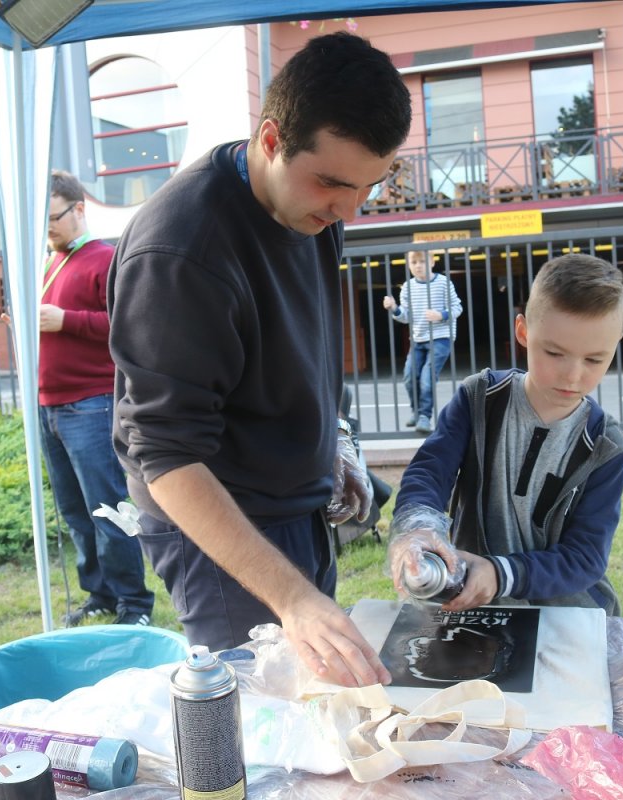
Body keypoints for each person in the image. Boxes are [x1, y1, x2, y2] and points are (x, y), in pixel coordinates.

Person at [109, 32, 411, 688]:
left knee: (318, 691)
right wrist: (293, 597)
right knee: (265, 717)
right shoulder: (181, 250)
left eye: (369, 187)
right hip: (220, 524)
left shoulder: (313, 209)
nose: (348, 210)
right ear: (271, 139)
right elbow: (165, 455)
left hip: (300, 503)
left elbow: (303, 345)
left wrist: (335, 439)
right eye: (332, 183)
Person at [387, 253, 623, 615]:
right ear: (523, 332)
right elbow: (429, 472)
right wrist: (417, 528)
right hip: (471, 608)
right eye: (554, 353)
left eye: (594, 359)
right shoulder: (478, 400)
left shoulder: (605, 445)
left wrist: (501, 574)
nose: (573, 375)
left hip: (567, 616)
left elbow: (585, 557)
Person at [8, 170, 155, 627]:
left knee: (106, 507)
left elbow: (130, 324)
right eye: (42, 222)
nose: (48, 229)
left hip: (90, 404)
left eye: (53, 218)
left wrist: (66, 320)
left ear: (79, 209)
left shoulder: (103, 259)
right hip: (48, 404)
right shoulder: (47, 263)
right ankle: (100, 593)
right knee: (75, 510)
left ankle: (134, 603)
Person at [383, 250, 463, 435]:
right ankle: (417, 412)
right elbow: (406, 316)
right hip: (418, 338)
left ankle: (425, 417)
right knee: (409, 377)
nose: (418, 265)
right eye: (414, 262)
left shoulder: (443, 282)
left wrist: (441, 315)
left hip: (441, 337)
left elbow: (457, 307)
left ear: (432, 262)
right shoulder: (407, 287)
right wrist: (394, 308)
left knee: (427, 379)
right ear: (409, 265)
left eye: (422, 261)